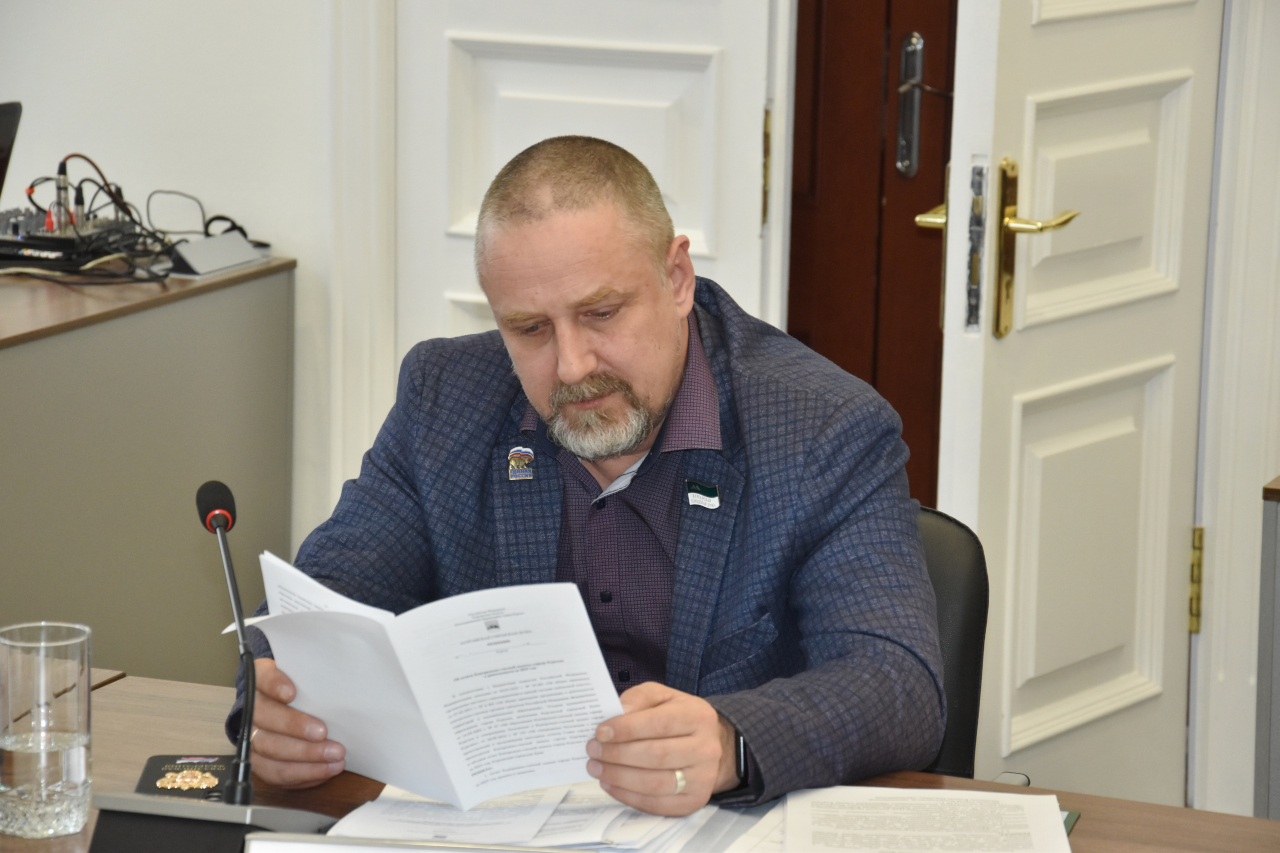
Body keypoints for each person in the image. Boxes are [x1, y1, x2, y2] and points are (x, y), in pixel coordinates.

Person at [229, 136, 945, 816]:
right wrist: (272, 702)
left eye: (600, 313)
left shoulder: (821, 427)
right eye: (530, 329)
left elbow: (897, 681)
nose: (572, 366)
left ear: (677, 279)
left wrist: (732, 741)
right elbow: (323, 602)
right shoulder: (444, 398)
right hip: (498, 827)